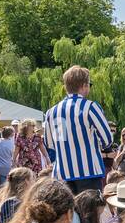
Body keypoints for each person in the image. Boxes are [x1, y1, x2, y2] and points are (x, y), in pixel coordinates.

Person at [43, 64, 110, 194]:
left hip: (62, 174)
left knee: (68, 213)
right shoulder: (90, 107)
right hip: (89, 171)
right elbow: (107, 139)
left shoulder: (52, 112)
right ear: (84, 85)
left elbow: (49, 144)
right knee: (89, 213)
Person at [0, 126, 16, 192]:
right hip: (8, 168)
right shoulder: (12, 144)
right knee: (5, 187)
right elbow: (13, 157)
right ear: (11, 134)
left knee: (1, 186)